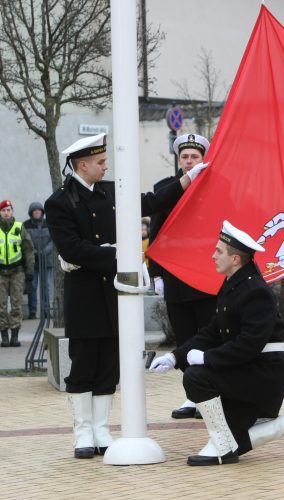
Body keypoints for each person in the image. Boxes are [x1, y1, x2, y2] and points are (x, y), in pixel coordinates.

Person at [44, 133, 208, 459]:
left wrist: (187, 180)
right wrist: (119, 254)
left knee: (108, 363)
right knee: (84, 363)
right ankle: (82, 433)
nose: (106, 167)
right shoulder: (60, 202)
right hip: (84, 295)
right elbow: (72, 248)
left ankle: (102, 429)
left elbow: (150, 200)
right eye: (100, 162)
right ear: (82, 164)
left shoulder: (110, 190)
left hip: (111, 291)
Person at [150, 220, 284, 466]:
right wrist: (176, 356)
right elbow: (212, 333)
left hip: (263, 374)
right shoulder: (235, 285)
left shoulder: (255, 291)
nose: (213, 255)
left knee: (196, 376)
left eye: (219, 251)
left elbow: (249, 344)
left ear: (236, 259)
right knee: (237, 440)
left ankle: (220, 443)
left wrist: (207, 359)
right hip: (249, 370)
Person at [149, 133, 217, 419]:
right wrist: (156, 275)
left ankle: (212, 393)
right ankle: (193, 395)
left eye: (195, 156)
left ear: (203, 158)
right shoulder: (165, 189)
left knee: (209, 337)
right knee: (185, 337)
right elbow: (156, 233)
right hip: (175, 276)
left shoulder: (216, 187)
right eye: (185, 157)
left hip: (207, 275)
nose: (189, 161)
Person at [0, 200, 34, 347]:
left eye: (8, 210)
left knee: (16, 305)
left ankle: (14, 336)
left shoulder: (19, 228)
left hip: (17, 272)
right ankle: (4, 337)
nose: (6, 212)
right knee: (0, 306)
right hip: (1, 272)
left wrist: (30, 271)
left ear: (12, 211)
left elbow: (28, 250)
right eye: (3, 210)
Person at [23, 201, 54, 319]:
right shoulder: (26, 225)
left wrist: (44, 251)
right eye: (34, 211)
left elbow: (53, 240)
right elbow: (25, 241)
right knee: (33, 286)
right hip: (33, 261)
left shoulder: (48, 223)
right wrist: (34, 252)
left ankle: (46, 311)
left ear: (42, 212)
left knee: (46, 286)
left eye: (39, 210)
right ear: (31, 213)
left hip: (47, 261)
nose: (37, 212)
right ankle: (32, 311)